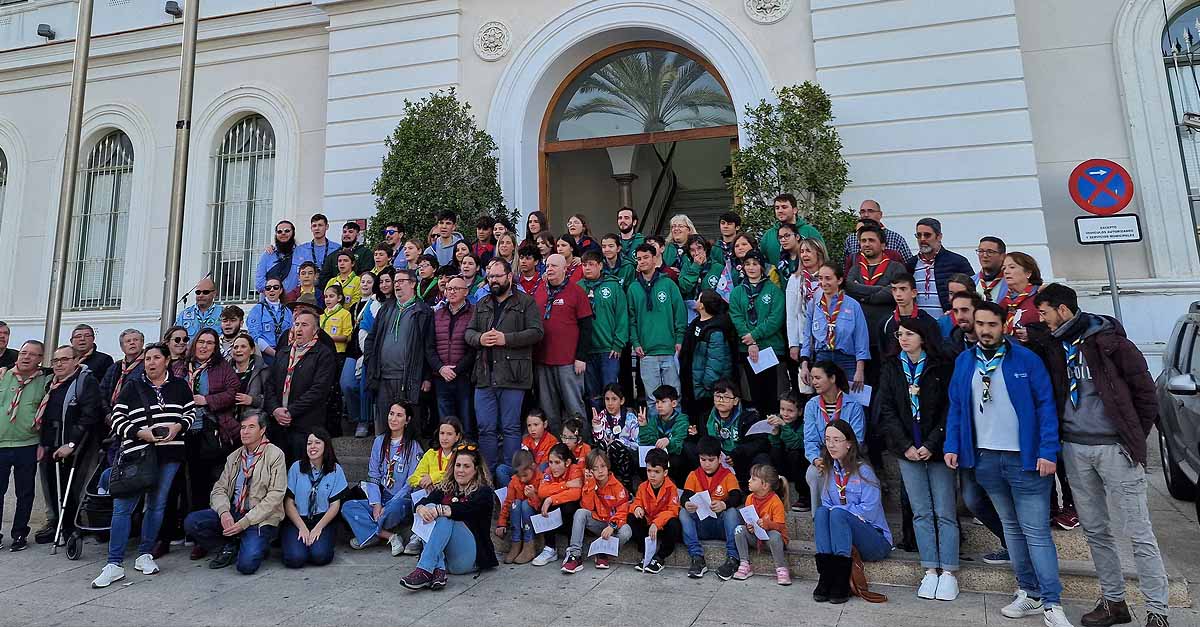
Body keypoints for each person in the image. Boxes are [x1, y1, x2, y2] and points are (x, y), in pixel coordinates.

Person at [1034, 284, 1170, 627]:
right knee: (1095, 530)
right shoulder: (1055, 345)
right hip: (1076, 448)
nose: (1043, 320)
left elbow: (1145, 394)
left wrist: (1132, 439)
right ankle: (1113, 602)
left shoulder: (1111, 343)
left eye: (1046, 312)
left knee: (1139, 531)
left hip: (1114, 447)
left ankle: (1158, 610)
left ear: (1063, 310)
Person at [943, 302, 1071, 627]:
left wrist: (1047, 451)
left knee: (1036, 532)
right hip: (986, 457)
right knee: (1012, 530)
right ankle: (1029, 591)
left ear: (1004, 326)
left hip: (1025, 459)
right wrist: (952, 446)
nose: (985, 330)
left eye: (992, 324)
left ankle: (1052, 602)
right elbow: (957, 408)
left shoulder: (1026, 359)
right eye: (980, 324)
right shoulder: (964, 361)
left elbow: (1046, 406)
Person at [93, 343, 196, 588]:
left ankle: (145, 554)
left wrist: (178, 427)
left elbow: (190, 413)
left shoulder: (180, 386)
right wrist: (141, 433)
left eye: (156, 358)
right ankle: (114, 563)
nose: (150, 362)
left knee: (157, 504)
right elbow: (116, 419)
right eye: (147, 358)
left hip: (169, 455)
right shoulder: (132, 386)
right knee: (123, 507)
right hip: (136, 455)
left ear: (167, 360)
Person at [877, 319, 959, 601]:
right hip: (907, 450)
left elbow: (949, 408)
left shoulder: (940, 366)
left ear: (924, 337)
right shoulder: (891, 367)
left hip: (936, 449)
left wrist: (932, 443)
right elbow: (886, 409)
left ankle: (948, 571)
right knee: (921, 512)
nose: (903, 338)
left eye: (909, 334)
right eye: (900, 334)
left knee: (944, 512)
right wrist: (905, 445)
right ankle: (930, 571)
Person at [465, 258, 544, 479]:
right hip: (484, 375)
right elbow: (468, 333)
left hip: (513, 375)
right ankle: (488, 477)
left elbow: (537, 332)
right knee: (485, 429)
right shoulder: (482, 303)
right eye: (490, 277)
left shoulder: (526, 302)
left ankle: (512, 479)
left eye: (498, 276)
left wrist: (505, 339)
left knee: (510, 428)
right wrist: (480, 338)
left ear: (509, 276)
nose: (493, 280)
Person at [183, 412, 286, 574]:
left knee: (246, 566)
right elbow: (219, 489)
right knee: (192, 522)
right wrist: (224, 513)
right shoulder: (235, 456)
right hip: (234, 511)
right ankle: (230, 544)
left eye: (251, 427)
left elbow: (275, 496)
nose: (245, 432)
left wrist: (245, 522)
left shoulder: (275, 455)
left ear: (262, 430)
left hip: (259, 518)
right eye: (243, 427)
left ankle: (254, 543)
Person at [811, 419, 893, 604]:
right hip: (843, 536)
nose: (831, 445)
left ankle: (841, 581)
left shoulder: (864, 471)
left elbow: (869, 511)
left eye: (837, 440)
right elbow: (826, 505)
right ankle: (826, 577)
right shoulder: (829, 471)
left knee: (837, 513)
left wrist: (841, 511)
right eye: (827, 439)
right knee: (822, 512)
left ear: (849, 443)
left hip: (874, 539)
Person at [401, 444, 498, 589]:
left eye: (466, 466)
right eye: (458, 465)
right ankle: (438, 570)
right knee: (429, 508)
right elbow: (425, 501)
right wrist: (421, 508)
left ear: (476, 469)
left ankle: (425, 569)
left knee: (444, 516)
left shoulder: (483, 492)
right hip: (446, 560)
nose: (460, 470)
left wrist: (442, 510)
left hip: (470, 557)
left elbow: (465, 509)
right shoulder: (447, 487)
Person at [342, 402, 424, 555]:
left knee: (391, 510)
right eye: (391, 414)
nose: (393, 418)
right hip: (382, 496)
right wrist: (376, 504)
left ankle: (368, 533)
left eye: (399, 415)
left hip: (400, 501)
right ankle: (390, 536)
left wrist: (389, 505)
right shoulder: (379, 441)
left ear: (407, 420)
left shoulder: (413, 447)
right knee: (347, 507)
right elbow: (373, 475)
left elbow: (411, 483)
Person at [364, 269, 437, 436]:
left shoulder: (423, 311)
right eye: (395, 281)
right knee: (384, 426)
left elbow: (428, 346)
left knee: (410, 428)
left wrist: (426, 376)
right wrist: (371, 361)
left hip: (409, 378)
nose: (396, 284)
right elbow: (371, 339)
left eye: (401, 281)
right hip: (383, 377)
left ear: (412, 284)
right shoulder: (386, 308)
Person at [264, 309, 338, 463]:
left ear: (315, 330)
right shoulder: (283, 353)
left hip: (305, 427)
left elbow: (319, 390)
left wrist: (290, 412)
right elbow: (270, 385)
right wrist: (275, 410)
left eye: (304, 325)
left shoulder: (323, 354)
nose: (299, 328)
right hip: (278, 425)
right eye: (296, 324)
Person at [532, 253, 593, 432]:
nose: (549, 269)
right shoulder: (541, 290)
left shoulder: (576, 292)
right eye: (547, 266)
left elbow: (587, 327)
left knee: (574, 408)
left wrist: (581, 357)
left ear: (565, 269)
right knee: (548, 411)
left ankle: (581, 447)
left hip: (568, 361)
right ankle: (556, 451)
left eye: (554, 266)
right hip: (543, 361)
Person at [627, 243, 686, 418]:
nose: (642, 261)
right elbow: (631, 319)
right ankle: (654, 436)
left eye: (646, 257)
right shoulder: (633, 288)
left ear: (654, 259)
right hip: (647, 352)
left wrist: (679, 338)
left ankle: (677, 434)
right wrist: (636, 342)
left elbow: (680, 312)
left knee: (674, 396)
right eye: (639, 259)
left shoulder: (668, 283)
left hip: (669, 349)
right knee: (652, 398)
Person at [0, 340, 48, 552]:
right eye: (23, 352)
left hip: (27, 444)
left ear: (40, 360)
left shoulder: (45, 380)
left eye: (32, 354)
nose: (26, 357)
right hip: (0, 444)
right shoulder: (3, 376)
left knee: (25, 492)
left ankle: (19, 533)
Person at [802, 362, 866, 515]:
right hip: (823, 457)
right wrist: (816, 459)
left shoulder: (853, 405)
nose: (814, 382)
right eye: (812, 378)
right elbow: (810, 440)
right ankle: (819, 519)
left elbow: (857, 439)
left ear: (832, 378)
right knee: (813, 473)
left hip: (848, 458)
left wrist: (838, 460)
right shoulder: (811, 405)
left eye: (818, 377)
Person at [845, 222, 905, 382]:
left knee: (885, 383)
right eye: (863, 241)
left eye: (871, 240)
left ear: (883, 245)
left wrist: (862, 292)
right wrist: (879, 289)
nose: (866, 244)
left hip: (887, 338)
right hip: (860, 339)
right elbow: (849, 289)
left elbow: (892, 293)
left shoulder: (896, 268)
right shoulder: (855, 269)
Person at [730, 250, 787, 416]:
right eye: (747, 264)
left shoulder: (774, 291)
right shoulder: (737, 292)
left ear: (762, 267)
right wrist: (751, 342)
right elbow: (737, 317)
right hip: (747, 350)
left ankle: (773, 434)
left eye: (755, 264)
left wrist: (754, 335)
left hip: (771, 349)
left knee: (772, 395)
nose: (751, 267)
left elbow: (775, 319)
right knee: (753, 396)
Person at [281, 427, 347, 568]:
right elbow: (288, 503)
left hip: (322, 519)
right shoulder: (296, 468)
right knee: (295, 559)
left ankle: (314, 546)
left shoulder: (335, 469)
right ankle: (297, 546)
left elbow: (335, 505)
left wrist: (318, 528)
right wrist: (302, 527)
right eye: (309, 443)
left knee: (320, 556)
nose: (312, 447)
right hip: (298, 519)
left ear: (326, 445)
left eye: (317, 442)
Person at [680, 436, 744, 581]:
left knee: (732, 512)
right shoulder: (694, 475)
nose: (706, 464)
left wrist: (724, 504)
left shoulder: (728, 475)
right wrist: (687, 504)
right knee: (683, 512)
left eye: (711, 460)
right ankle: (697, 557)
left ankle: (733, 558)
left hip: (722, 525)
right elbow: (685, 496)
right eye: (703, 460)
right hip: (702, 524)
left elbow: (737, 496)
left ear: (719, 457)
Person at [800, 263, 870, 393]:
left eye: (828, 278)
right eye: (820, 278)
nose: (823, 282)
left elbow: (861, 339)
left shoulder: (853, 305)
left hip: (847, 359)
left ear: (839, 280)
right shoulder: (813, 305)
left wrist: (860, 370)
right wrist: (804, 364)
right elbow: (807, 336)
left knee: (851, 400)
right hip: (822, 357)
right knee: (824, 400)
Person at [562, 448, 632, 572]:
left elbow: (622, 512)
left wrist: (612, 526)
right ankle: (575, 555)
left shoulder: (617, 486)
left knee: (626, 531)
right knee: (580, 513)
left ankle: (603, 552)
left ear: (608, 466)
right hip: (598, 522)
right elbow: (587, 507)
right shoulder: (590, 483)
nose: (600, 471)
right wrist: (589, 484)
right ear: (589, 470)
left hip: (613, 525)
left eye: (603, 466)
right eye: (595, 468)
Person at [579, 251, 628, 409]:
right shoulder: (578, 287)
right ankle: (598, 429)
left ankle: (614, 428)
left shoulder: (613, 286)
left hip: (609, 350)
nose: (587, 268)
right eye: (584, 265)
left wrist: (618, 344)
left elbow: (622, 316)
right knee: (592, 394)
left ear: (600, 265)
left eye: (591, 264)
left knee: (611, 393)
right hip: (586, 350)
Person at [679, 289, 735, 421]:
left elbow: (715, 362)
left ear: (703, 305)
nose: (696, 301)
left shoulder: (716, 331)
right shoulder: (696, 323)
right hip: (693, 383)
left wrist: (706, 386)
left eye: (699, 298)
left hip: (704, 390)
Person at [732, 463, 791, 585]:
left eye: (753, 479)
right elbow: (748, 519)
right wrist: (749, 526)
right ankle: (744, 563)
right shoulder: (749, 498)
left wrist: (768, 524)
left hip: (773, 541)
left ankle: (781, 568)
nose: (749, 481)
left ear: (765, 485)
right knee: (739, 530)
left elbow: (780, 526)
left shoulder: (775, 501)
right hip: (757, 537)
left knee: (775, 535)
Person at [905, 217, 975, 318]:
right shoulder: (911, 264)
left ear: (939, 236)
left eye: (927, 235)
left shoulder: (957, 262)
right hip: (919, 326)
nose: (922, 239)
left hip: (948, 323)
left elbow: (973, 292)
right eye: (919, 235)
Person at [431, 275, 475, 433]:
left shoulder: (474, 314)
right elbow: (429, 347)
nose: (452, 292)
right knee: (445, 424)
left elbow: (474, 350)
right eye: (449, 289)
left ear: (466, 291)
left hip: (464, 377)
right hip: (441, 377)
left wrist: (456, 370)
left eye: (456, 289)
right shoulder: (437, 314)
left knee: (466, 422)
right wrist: (441, 368)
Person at [628, 447, 682, 574]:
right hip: (648, 525)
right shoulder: (642, 486)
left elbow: (673, 510)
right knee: (631, 517)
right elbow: (636, 501)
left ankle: (660, 557)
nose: (652, 475)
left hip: (662, 527)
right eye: (649, 471)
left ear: (665, 472)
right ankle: (645, 553)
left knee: (674, 524)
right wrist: (637, 508)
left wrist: (657, 523)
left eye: (656, 471)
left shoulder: (671, 488)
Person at [705, 379, 769, 483]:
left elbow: (760, 442)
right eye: (717, 396)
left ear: (735, 400)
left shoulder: (748, 417)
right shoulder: (706, 417)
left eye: (726, 397)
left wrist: (738, 453)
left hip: (741, 458)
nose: (720, 400)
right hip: (717, 458)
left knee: (762, 458)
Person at [530, 443, 583, 567]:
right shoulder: (548, 471)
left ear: (567, 462)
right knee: (545, 503)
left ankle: (571, 549)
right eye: (550, 462)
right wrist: (565, 485)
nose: (553, 467)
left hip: (570, 514)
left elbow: (576, 493)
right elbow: (542, 491)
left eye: (557, 462)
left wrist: (551, 498)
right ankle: (550, 548)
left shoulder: (575, 469)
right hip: (556, 515)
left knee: (568, 506)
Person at [786, 237, 827, 395]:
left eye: (808, 251)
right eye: (801, 251)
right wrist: (794, 344)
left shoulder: (827, 278)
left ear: (819, 253)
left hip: (825, 342)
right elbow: (791, 315)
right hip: (805, 341)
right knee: (807, 388)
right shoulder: (795, 280)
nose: (804, 255)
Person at [495, 449, 542, 564]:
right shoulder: (514, 481)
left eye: (525, 475)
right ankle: (516, 543)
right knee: (516, 503)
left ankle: (529, 544)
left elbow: (541, 506)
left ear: (533, 466)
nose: (522, 479)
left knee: (526, 504)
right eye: (519, 476)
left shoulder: (540, 479)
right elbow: (507, 503)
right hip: (518, 516)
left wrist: (533, 496)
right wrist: (501, 523)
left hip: (535, 516)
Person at [638, 385, 691, 486]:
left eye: (663, 401)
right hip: (658, 456)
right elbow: (647, 442)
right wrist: (644, 426)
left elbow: (678, 442)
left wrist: (668, 441)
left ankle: (679, 487)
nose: (659, 405)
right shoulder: (654, 419)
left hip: (674, 457)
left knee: (679, 458)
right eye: (657, 402)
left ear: (674, 403)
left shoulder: (682, 419)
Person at [879, 273, 942, 359]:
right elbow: (883, 355)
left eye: (903, 289)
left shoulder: (928, 322)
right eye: (894, 289)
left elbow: (935, 354)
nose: (898, 294)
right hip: (894, 371)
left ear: (914, 293)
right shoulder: (885, 323)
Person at [590, 384, 639, 487]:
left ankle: (627, 486)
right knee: (599, 446)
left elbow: (637, 444)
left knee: (616, 446)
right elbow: (598, 442)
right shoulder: (601, 416)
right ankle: (602, 485)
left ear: (622, 401)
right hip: (608, 457)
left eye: (614, 399)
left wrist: (619, 443)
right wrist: (597, 427)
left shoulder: (630, 418)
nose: (610, 403)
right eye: (607, 399)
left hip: (628, 458)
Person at [768, 391, 808, 511]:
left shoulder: (803, 425)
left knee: (795, 453)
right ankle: (777, 489)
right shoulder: (778, 421)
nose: (785, 414)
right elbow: (775, 445)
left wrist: (784, 427)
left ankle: (804, 496)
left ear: (800, 412)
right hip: (783, 466)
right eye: (782, 409)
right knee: (773, 452)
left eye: (790, 411)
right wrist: (774, 433)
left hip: (799, 466)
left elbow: (796, 443)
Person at [760, 193, 823, 267]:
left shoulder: (810, 232)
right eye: (777, 208)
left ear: (794, 210)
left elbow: (822, 258)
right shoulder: (768, 236)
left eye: (784, 207)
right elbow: (762, 263)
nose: (780, 210)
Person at [409, 416, 463, 498]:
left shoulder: (461, 455)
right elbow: (413, 478)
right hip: (428, 494)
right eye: (442, 433)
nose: (444, 438)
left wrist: (433, 478)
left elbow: (455, 476)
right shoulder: (431, 453)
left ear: (457, 437)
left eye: (449, 434)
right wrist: (423, 482)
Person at [842, 200, 913, 261]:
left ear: (880, 215)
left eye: (870, 211)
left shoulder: (895, 239)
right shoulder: (851, 239)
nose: (866, 215)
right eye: (862, 212)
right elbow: (845, 266)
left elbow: (909, 265)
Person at [999, 251, 1043, 342]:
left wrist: (1033, 333)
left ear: (1028, 273)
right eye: (1004, 268)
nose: (1006, 272)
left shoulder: (1041, 296)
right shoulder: (1003, 302)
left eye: (1012, 267)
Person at [246, 277, 292, 364]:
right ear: (264, 291)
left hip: (285, 354)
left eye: (275, 287)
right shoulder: (258, 309)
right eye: (268, 288)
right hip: (264, 355)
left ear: (281, 290)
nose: (271, 290)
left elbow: (292, 332)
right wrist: (274, 353)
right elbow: (255, 336)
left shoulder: (287, 311)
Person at [99, 329, 145, 411]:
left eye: (136, 340)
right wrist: (107, 412)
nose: (132, 343)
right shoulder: (115, 366)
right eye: (128, 341)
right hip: (113, 412)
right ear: (122, 347)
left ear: (142, 343)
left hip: (137, 411)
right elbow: (102, 391)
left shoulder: (148, 364)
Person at [319, 221, 372, 287]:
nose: (346, 234)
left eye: (350, 232)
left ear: (358, 235)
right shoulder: (332, 256)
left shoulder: (365, 253)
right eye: (344, 232)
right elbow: (323, 278)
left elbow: (367, 275)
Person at [256, 220, 303, 294]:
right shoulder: (268, 255)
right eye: (279, 232)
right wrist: (273, 293)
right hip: (271, 302)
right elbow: (259, 283)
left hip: (293, 301)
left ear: (293, 233)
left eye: (287, 231)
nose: (283, 233)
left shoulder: (302, 254)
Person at [320, 285, 354, 354]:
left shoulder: (345, 314)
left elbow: (347, 337)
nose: (327, 299)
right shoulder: (322, 314)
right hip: (323, 350)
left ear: (339, 298)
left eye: (331, 296)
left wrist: (328, 338)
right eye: (326, 297)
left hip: (337, 351)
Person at [974, 236, 1008, 302]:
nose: (985, 255)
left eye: (990, 252)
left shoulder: (1011, 282)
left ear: (1003, 256)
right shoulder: (971, 281)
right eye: (981, 251)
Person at [947, 292, 981, 357]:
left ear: (978, 311)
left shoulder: (995, 342)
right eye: (956, 311)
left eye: (964, 310)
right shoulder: (948, 348)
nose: (959, 317)